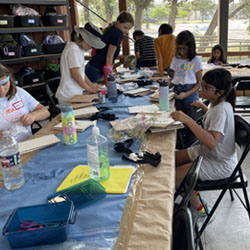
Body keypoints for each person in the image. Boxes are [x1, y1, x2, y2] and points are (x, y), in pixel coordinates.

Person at [171, 68, 237, 216]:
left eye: (206, 87)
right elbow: (213, 121)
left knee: (173, 176)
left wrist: (187, 120)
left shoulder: (221, 109)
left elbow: (213, 142)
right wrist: (203, 107)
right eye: (202, 84)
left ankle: (200, 209)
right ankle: (191, 189)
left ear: (219, 92)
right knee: (170, 160)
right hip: (208, 153)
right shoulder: (217, 103)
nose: (202, 89)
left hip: (219, 162)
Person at [56, 23, 106, 104]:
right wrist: (88, 88)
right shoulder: (73, 49)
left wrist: (91, 84)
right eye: (91, 45)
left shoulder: (79, 49)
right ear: (85, 40)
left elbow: (81, 72)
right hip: (68, 95)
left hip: (75, 93)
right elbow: (75, 73)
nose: (91, 48)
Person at [0, 64, 50, 141]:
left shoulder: (19, 92)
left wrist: (32, 116)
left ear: (10, 80)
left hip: (27, 143)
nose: (2, 90)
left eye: (4, 84)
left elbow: (45, 112)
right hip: (5, 148)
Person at [85, 11, 134, 83]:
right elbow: (109, 55)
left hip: (93, 66)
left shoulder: (112, 29)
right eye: (125, 27)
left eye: (128, 29)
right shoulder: (117, 33)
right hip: (96, 69)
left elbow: (107, 52)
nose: (126, 31)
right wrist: (109, 73)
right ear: (118, 22)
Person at [169, 30, 202, 113]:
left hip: (190, 92)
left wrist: (186, 94)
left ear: (190, 47)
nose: (181, 51)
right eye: (179, 48)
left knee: (191, 118)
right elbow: (174, 79)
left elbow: (199, 84)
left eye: (184, 48)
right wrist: (164, 87)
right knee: (178, 117)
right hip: (177, 91)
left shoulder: (196, 60)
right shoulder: (175, 60)